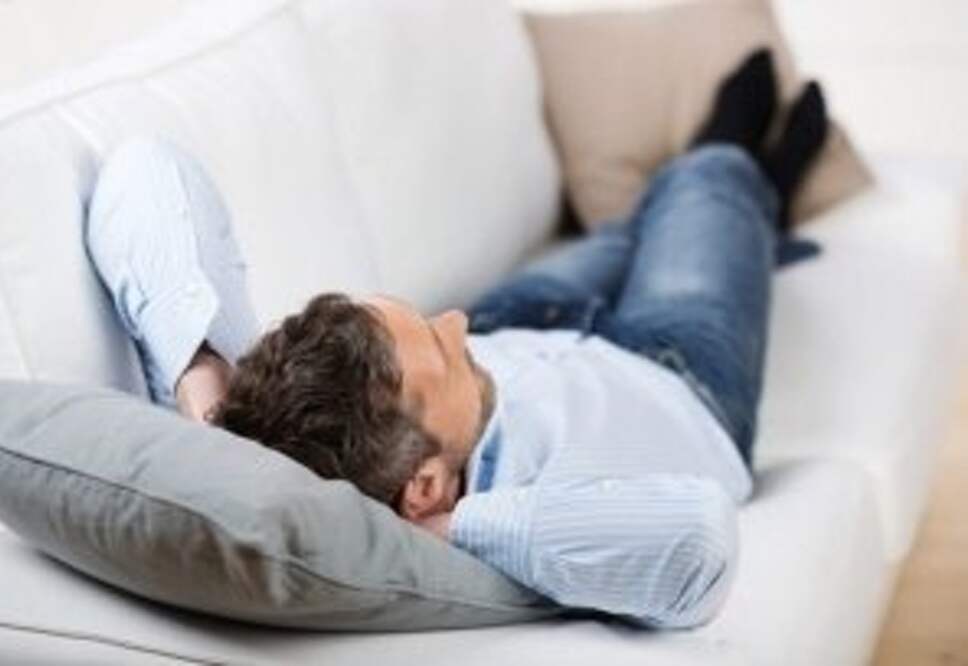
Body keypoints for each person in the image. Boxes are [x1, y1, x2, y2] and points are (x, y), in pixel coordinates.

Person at [84, 48, 829, 629]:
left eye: (426, 323)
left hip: (521, 321)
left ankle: (728, 205)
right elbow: (699, 541)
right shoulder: (508, 523)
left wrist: (203, 392)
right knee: (706, 186)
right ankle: (745, 168)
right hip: (674, 370)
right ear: (427, 488)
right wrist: (444, 531)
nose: (453, 320)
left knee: (630, 231)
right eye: (438, 346)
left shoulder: (278, 428)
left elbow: (143, 168)